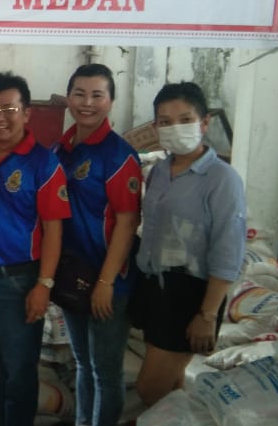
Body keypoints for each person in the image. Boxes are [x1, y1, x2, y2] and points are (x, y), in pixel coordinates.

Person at [0, 71, 70, 426]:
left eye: (9, 107)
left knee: (19, 373)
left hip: (19, 281)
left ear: (26, 113)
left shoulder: (43, 163)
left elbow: (54, 230)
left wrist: (44, 285)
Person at [133, 81, 246, 407]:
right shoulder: (159, 172)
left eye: (185, 119)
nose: (174, 128)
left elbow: (228, 250)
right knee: (170, 387)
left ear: (204, 122)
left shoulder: (221, 179)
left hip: (191, 294)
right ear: (155, 127)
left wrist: (207, 314)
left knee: (149, 388)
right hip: (156, 286)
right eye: (165, 122)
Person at [53, 64, 142, 426]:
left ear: (111, 102)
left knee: (105, 370)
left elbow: (127, 221)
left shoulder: (119, 156)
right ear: (68, 97)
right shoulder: (61, 148)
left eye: (97, 95)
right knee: (82, 363)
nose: (87, 103)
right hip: (72, 274)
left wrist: (106, 283)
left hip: (109, 279)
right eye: (79, 94)